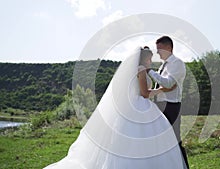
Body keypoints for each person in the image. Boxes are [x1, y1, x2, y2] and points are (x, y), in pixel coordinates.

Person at [43, 46, 186, 169]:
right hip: (141, 105)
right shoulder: (142, 70)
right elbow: (144, 93)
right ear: (144, 59)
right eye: (149, 59)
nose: (151, 61)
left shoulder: (136, 70)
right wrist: (162, 90)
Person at [147, 36, 190, 169]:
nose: (157, 52)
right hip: (161, 105)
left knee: (175, 140)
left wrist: (149, 71)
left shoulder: (177, 63)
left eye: (159, 49)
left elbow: (168, 83)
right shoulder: (164, 65)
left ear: (168, 47)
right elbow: (164, 86)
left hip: (171, 106)